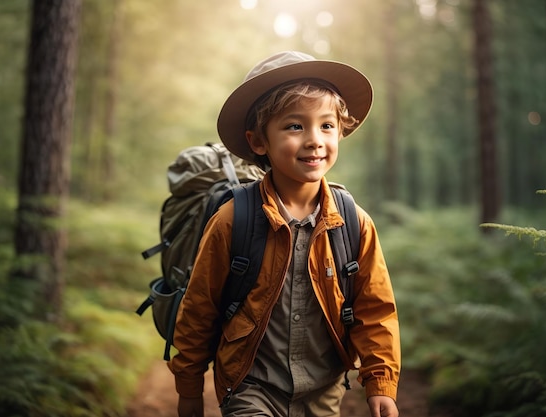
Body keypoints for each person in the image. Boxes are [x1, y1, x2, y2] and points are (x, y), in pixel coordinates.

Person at [169, 51, 401, 417]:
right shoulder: (233, 220)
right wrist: (188, 390)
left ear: (340, 131)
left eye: (326, 126)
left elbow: (375, 311)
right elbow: (200, 310)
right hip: (250, 387)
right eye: (295, 126)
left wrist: (380, 382)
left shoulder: (353, 223)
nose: (314, 140)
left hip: (323, 392)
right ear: (259, 141)